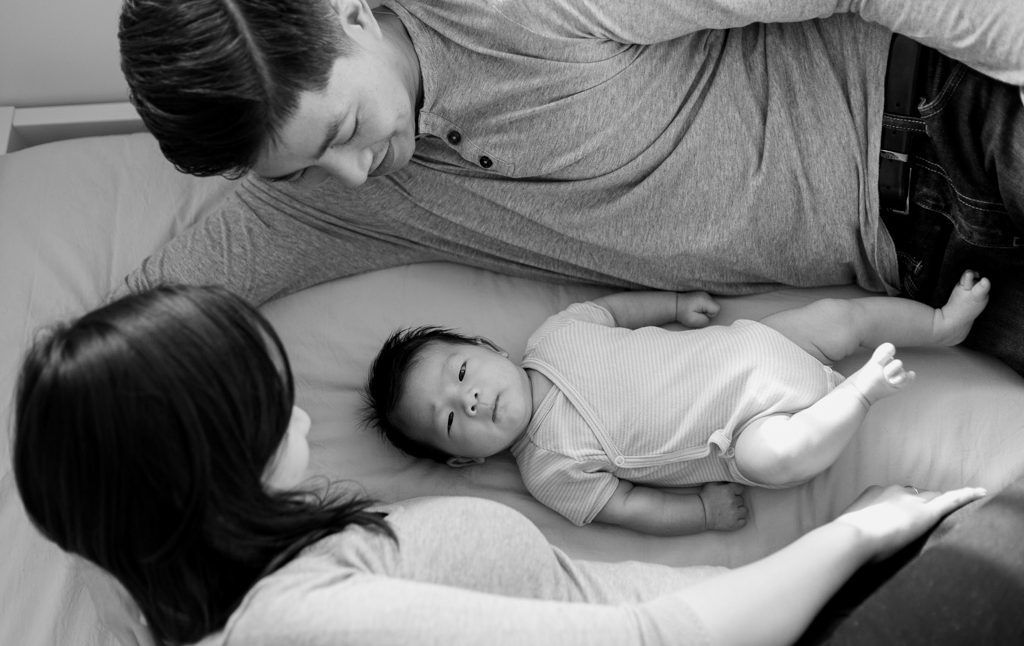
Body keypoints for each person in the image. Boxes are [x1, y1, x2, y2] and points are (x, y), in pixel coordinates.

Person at [114, 0, 1024, 375]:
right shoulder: (324, 201)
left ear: (350, 17)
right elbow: (143, 323)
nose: (352, 174)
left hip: (942, 105)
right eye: (300, 170)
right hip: (925, 266)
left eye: (344, 128)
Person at [12, 284, 987, 646]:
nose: (294, 404)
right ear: (206, 454)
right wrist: (857, 530)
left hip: (774, 593)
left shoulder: (283, 585)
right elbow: (656, 636)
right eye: (261, 396)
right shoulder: (300, 620)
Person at [362, 272, 989, 536]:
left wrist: (673, 305)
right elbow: (632, 507)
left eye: (461, 372)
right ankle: (859, 394)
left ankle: (939, 325)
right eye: (451, 419)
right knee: (782, 457)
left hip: (761, 343)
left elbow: (616, 311)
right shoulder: (547, 471)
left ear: (487, 347)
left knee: (839, 316)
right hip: (741, 433)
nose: (471, 399)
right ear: (462, 462)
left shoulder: (555, 334)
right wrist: (701, 513)